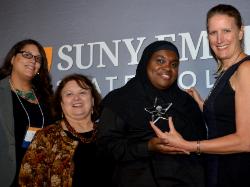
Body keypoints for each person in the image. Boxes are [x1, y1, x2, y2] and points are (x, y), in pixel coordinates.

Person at [150, 4, 250, 187]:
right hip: (221, 169)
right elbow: (228, 121)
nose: (219, 39)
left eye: (226, 30)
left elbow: (246, 141)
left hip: (240, 172)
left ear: (240, 32)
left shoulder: (246, 69)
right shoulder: (227, 72)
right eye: (213, 33)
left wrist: (188, 145)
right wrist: (204, 106)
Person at [97, 40, 207, 187]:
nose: (168, 68)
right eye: (160, 61)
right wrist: (148, 146)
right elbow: (106, 148)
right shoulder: (119, 100)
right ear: (145, 62)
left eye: (174, 64)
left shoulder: (187, 103)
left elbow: (201, 146)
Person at [19, 74, 113, 187]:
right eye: (69, 94)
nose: (76, 98)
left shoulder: (109, 133)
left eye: (82, 92)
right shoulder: (46, 137)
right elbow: (27, 181)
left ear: (92, 100)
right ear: (61, 104)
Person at [0, 39, 54, 186]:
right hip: (7, 176)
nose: (33, 61)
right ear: (12, 59)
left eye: (38, 59)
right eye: (27, 55)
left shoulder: (46, 96)